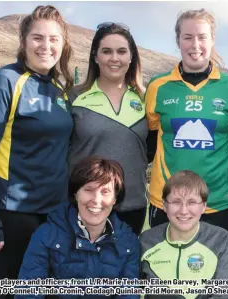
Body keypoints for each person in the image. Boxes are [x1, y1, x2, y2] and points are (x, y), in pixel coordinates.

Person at [0, 5, 74, 296]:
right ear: (24, 41)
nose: (46, 46)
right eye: (38, 38)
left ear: (63, 46)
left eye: (54, 39)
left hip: (54, 216)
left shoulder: (59, 89)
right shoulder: (4, 83)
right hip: (12, 215)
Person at [145, 9, 228, 241]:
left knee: (219, 273)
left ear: (212, 40)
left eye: (202, 37)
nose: (195, 44)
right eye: (188, 37)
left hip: (220, 202)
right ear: (178, 41)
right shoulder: (158, 86)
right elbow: (150, 141)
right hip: (168, 202)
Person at [69, 22, 151, 235]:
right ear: (95, 56)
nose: (114, 58)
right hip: (85, 208)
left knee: (125, 269)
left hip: (132, 207)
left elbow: (151, 149)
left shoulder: (146, 99)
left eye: (121, 51)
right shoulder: (74, 98)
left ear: (131, 56)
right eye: (107, 51)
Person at [17, 157, 140, 299]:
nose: (96, 200)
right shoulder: (46, 235)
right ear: (76, 194)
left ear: (115, 199)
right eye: (88, 189)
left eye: (105, 191)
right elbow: (28, 293)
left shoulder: (128, 241)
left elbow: (128, 295)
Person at [139, 170, 228, 299]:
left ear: (204, 206)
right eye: (176, 202)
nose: (183, 211)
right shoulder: (146, 241)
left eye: (192, 202)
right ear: (164, 205)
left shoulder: (222, 240)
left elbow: (226, 295)